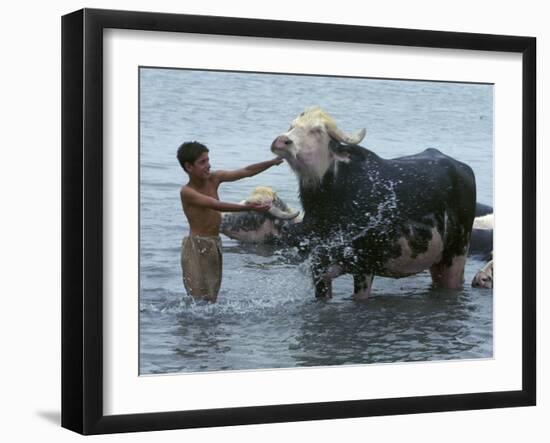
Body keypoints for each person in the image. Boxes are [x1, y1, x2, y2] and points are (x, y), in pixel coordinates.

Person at [176, 141, 284, 302]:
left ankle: (212, 327)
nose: (208, 165)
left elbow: (246, 171)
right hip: (195, 246)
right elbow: (215, 205)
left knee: (212, 298)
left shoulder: (214, 178)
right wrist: (251, 207)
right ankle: (194, 327)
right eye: (202, 162)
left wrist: (272, 162)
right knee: (197, 300)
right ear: (189, 167)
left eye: (208, 160)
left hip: (214, 243)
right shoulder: (187, 192)